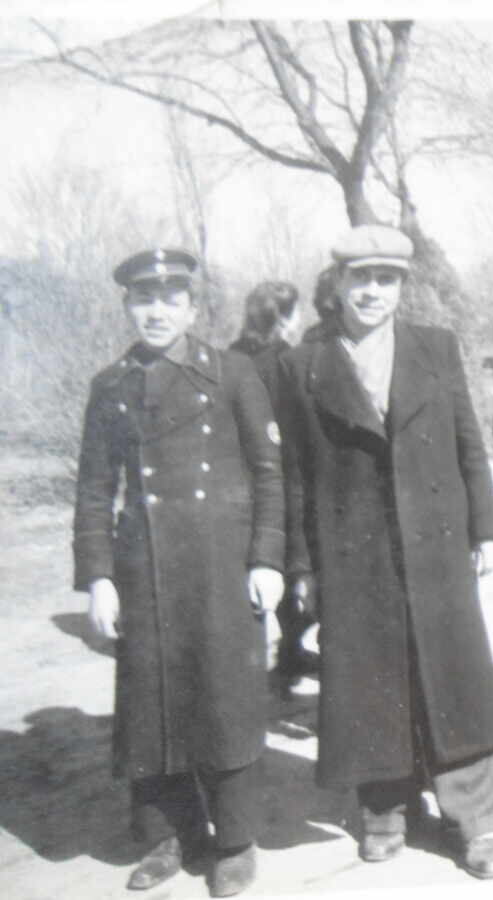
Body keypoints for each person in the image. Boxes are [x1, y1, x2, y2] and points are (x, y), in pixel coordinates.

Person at [275, 225, 493, 879]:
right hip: (354, 554)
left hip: (436, 541)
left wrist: (486, 528)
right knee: (369, 681)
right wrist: (300, 566)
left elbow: (468, 441)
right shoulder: (302, 366)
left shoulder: (436, 348)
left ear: (401, 286)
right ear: (338, 284)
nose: (371, 291)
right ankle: (385, 811)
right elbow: (294, 474)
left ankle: (475, 822)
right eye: (359, 278)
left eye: (385, 279)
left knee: (455, 677)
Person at [73, 248, 285, 896]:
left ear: (192, 308)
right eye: (143, 299)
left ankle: (236, 839)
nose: (156, 311)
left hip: (220, 564)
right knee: (151, 706)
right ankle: (170, 835)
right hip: (145, 571)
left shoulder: (233, 373)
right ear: (128, 306)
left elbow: (271, 472)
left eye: (170, 298)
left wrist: (267, 559)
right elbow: (91, 491)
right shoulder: (110, 386)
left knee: (223, 701)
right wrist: (99, 578)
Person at [228, 281, 317, 697]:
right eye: (295, 312)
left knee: (264, 562)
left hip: (243, 476)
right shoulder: (289, 361)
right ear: (284, 317)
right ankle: (292, 652)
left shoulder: (229, 356)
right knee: (298, 561)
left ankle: (284, 653)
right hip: (286, 470)